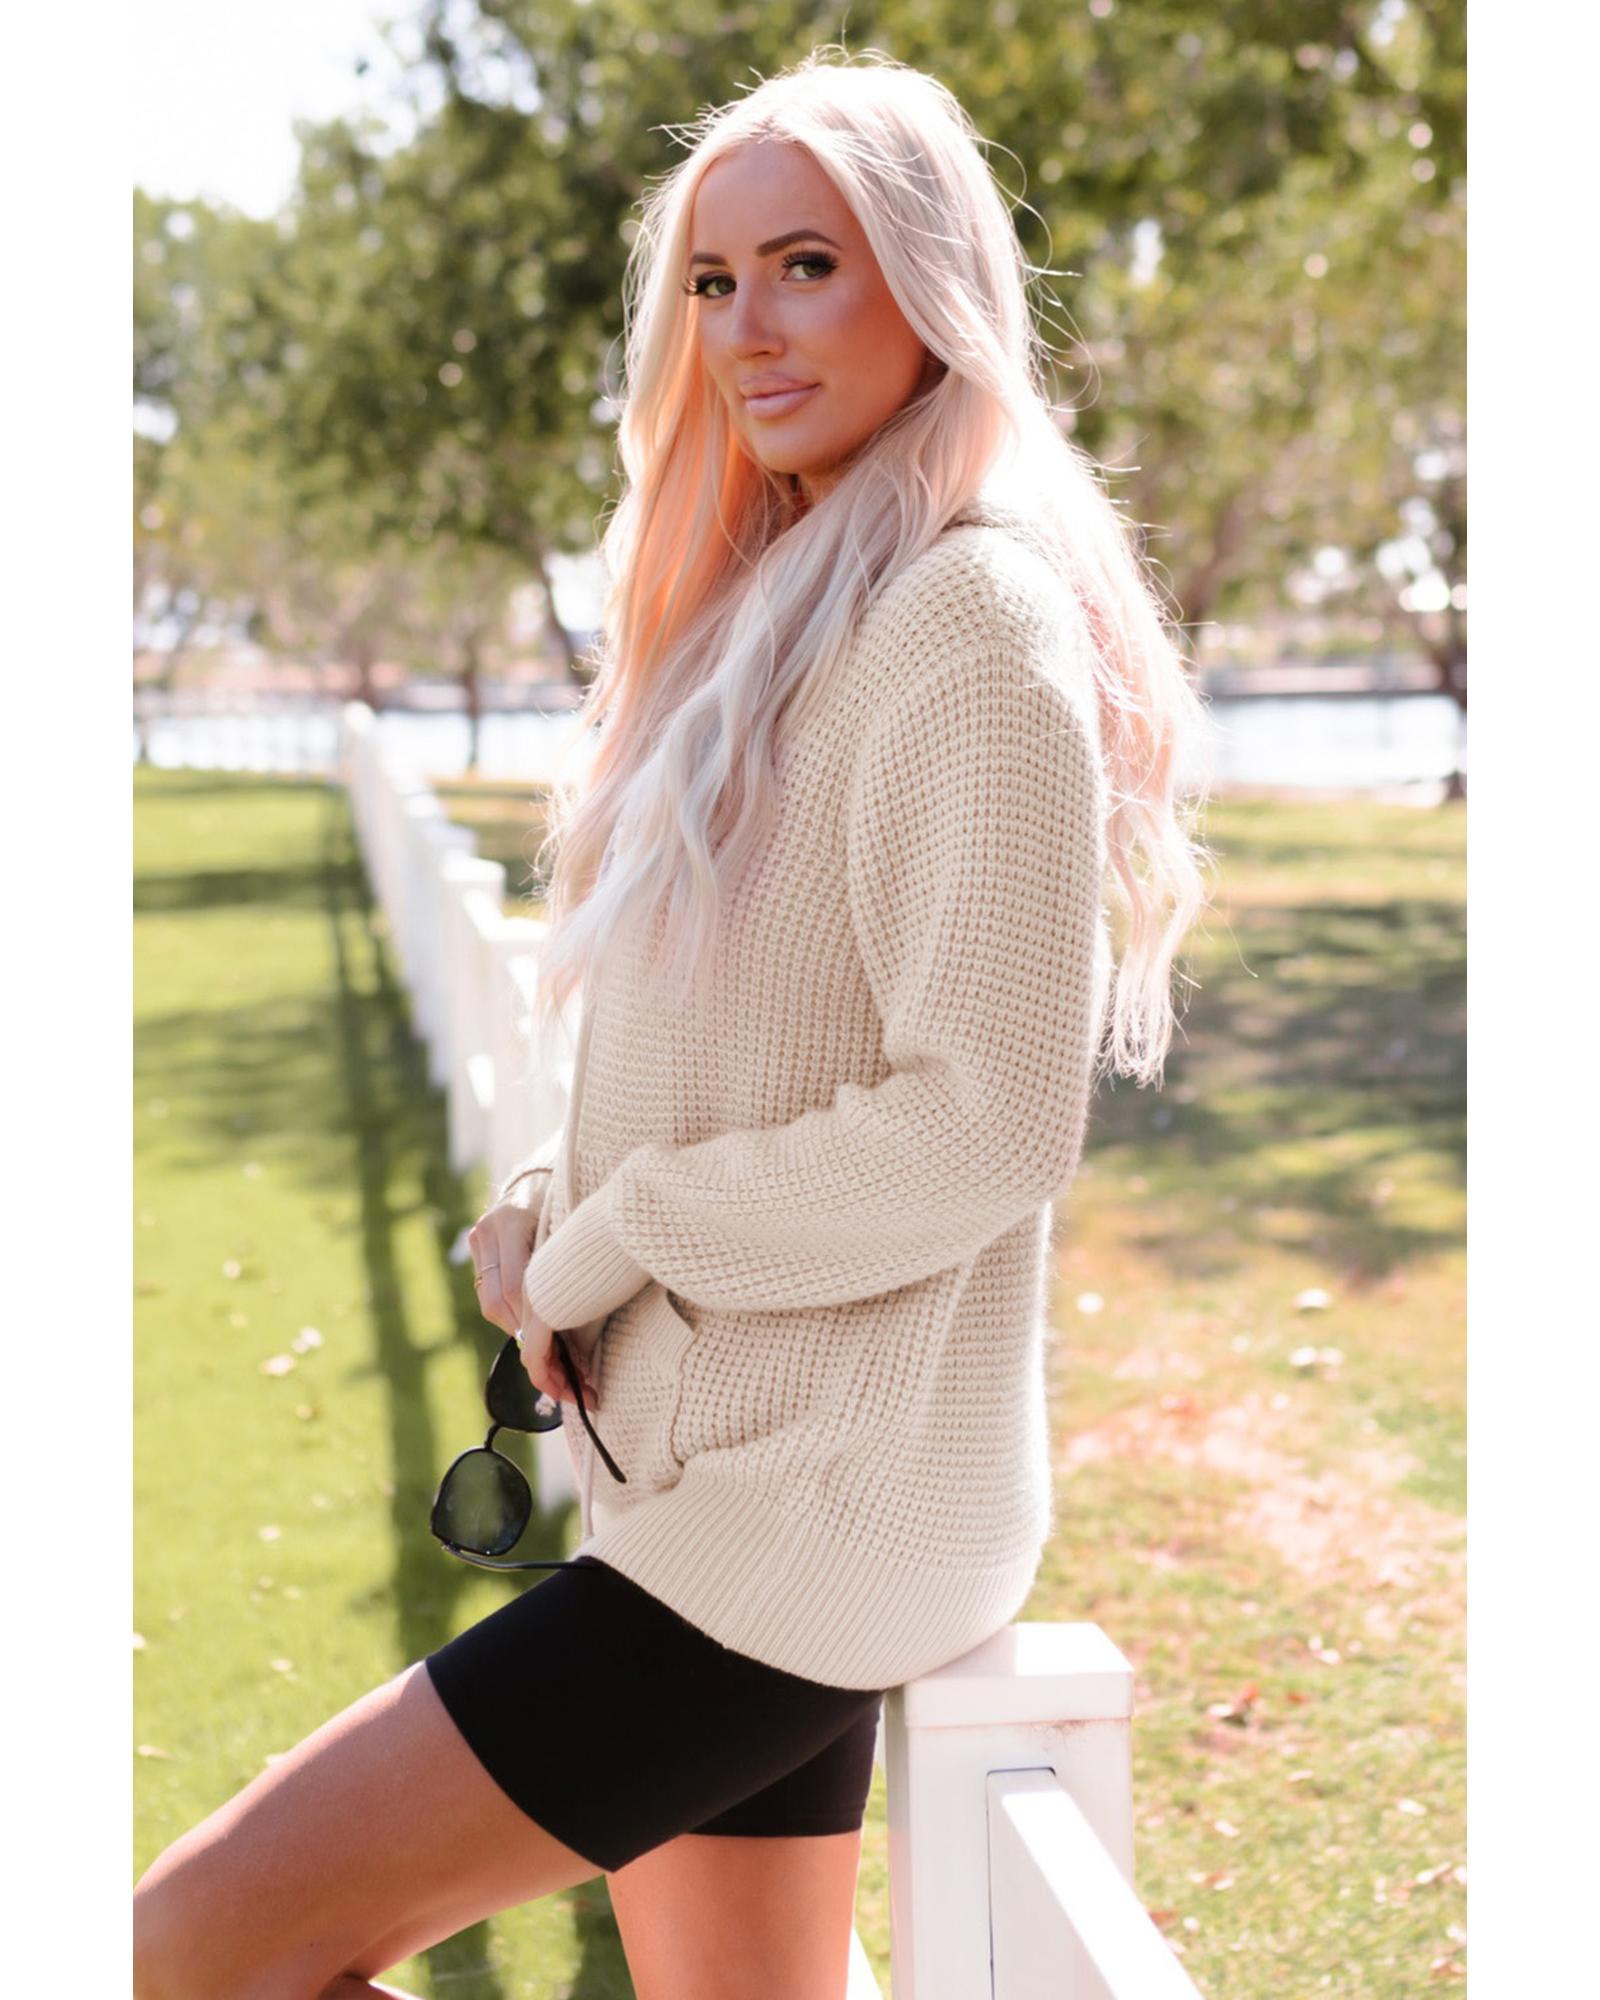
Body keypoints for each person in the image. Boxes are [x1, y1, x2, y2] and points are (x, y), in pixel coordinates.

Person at [133, 45, 1213, 2000]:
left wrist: (618, 1235)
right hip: (720, 1493)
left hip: (812, 1517)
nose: (748, 327)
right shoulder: (785, 608)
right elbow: (745, 1041)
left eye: (806, 264)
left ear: (930, 283)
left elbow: (983, 1122)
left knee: (184, 1951)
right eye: (714, 281)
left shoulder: (968, 619)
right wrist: (551, 1204)